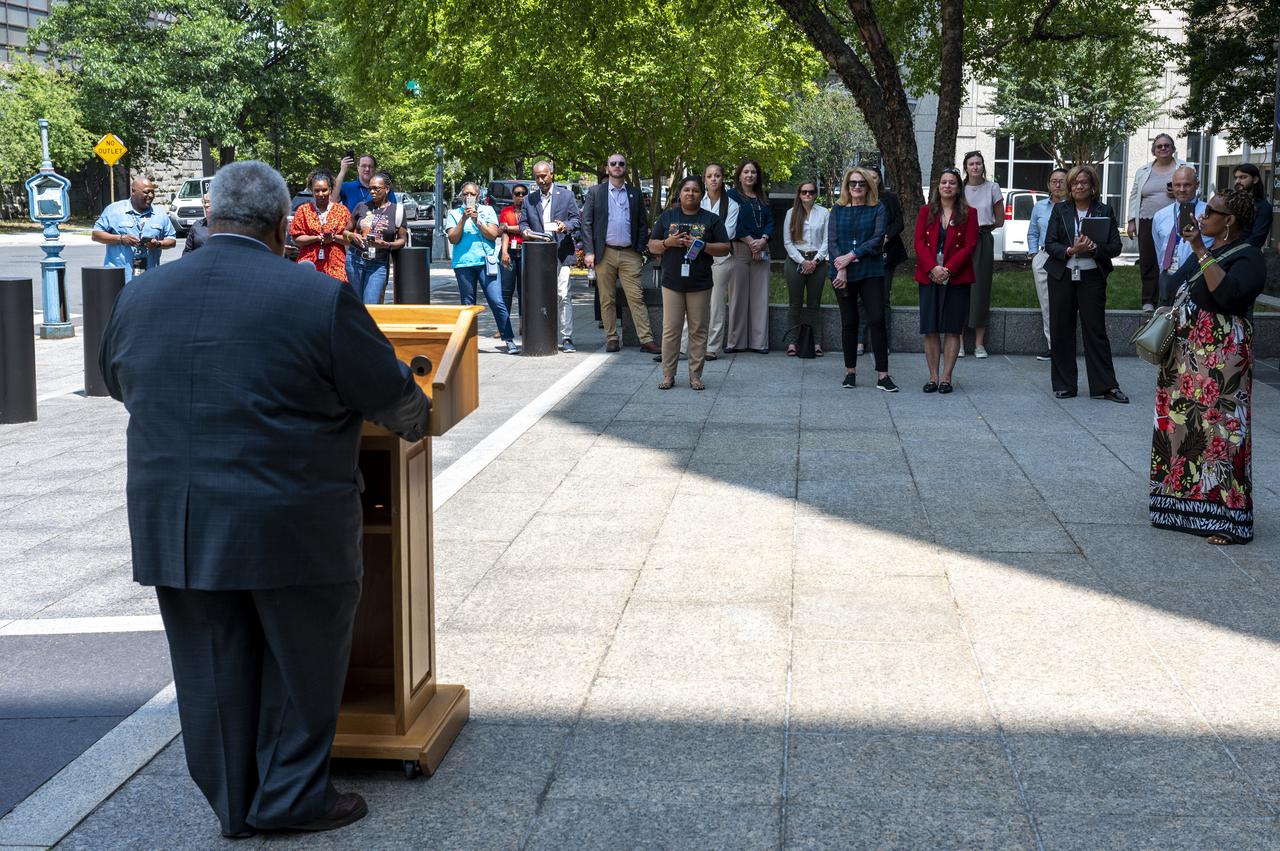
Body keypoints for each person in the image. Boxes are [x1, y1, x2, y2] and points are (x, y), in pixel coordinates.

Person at [99, 160, 432, 839]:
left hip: (180, 524)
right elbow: (393, 398)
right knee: (300, 664)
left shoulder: (141, 296)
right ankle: (289, 797)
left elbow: (116, 380)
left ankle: (233, 803)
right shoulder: (314, 297)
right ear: (284, 226)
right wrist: (417, 412)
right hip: (291, 521)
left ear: (208, 218)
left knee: (209, 667)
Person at [1150, 189, 1265, 545]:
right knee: (1180, 425)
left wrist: (1200, 249)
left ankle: (1230, 520)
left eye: (1211, 211)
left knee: (1225, 431)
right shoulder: (1212, 248)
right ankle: (1181, 505)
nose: (1202, 216)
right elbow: (1175, 282)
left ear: (1229, 220)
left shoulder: (1248, 257)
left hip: (1223, 352)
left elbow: (1228, 295)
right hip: (1188, 351)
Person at [1043, 165, 1127, 403]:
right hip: (1062, 276)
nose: (1079, 186)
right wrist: (1071, 250)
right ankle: (1064, 384)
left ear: (1093, 187)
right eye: (1075, 183)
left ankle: (1106, 386)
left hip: (1092, 277)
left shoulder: (1104, 210)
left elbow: (1115, 247)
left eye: (1084, 183)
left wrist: (1094, 248)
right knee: (1061, 329)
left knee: (1095, 330)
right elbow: (1049, 243)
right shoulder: (1060, 210)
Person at [648, 176, 731, 390]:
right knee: (671, 330)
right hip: (672, 282)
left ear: (701, 194)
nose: (690, 194)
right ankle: (668, 375)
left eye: (695, 190)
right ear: (680, 193)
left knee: (698, 330)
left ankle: (695, 375)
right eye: (686, 190)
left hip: (700, 283)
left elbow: (725, 247)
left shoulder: (711, 219)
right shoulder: (667, 217)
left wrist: (702, 246)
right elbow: (652, 246)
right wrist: (669, 242)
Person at [580, 154, 660, 355]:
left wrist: (640, 247)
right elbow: (586, 223)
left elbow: (643, 223)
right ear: (607, 167)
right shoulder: (596, 192)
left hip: (629, 253)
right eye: (613, 164)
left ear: (626, 168)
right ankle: (612, 337)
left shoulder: (634, 193)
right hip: (604, 253)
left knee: (636, 297)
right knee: (606, 298)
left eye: (621, 164)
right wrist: (589, 251)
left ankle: (646, 339)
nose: (617, 166)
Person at [829, 166, 897, 391]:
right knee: (849, 322)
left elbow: (877, 239)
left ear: (869, 186)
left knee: (877, 320)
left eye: (861, 183)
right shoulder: (837, 210)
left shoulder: (877, 208)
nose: (857, 187)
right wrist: (841, 267)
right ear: (847, 186)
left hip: (871, 271)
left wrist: (851, 257)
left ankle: (883, 376)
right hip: (842, 273)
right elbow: (832, 242)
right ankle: (850, 373)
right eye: (852, 183)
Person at [914, 167, 978, 394]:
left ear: (959, 187)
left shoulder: (969, 214)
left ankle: (946, 378)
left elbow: (970, 245)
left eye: (952, 182)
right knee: (930, 328)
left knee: (952, 328)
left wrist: (948, 270)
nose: (947, 186)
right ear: (938, 187)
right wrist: (933, 268)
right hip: (929, 275)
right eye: (944, 182)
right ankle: (932, 376)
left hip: (957, 277)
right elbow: (919, 243)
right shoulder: (925, 211)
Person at [447, 182, 517, 354]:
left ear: (478, 195)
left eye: (472, 194)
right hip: (464, 263)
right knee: (468, 304)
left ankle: (508, 338)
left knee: (496, 300)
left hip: (486, 263)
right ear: (461, 196)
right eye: (465, 194)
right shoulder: (454, 213)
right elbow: (453, 239)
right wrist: (463, 219)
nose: (468, 197)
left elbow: (493, 235)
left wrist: (477, 221)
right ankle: (468, 343)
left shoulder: (488, 211)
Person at [520, 161, 581, 352]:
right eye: (537, 177)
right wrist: (526, 231)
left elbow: (577, 220)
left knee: (563, 294)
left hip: (560, 252)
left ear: (552, 174)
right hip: (538, 255)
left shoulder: (566, 195)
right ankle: (544, 334)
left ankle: (567, 337)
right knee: (540, 296)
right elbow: (523, 223)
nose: (541, 180)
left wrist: (566, 226)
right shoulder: (529, 200)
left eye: (544, 176)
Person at [1126, 134, 1184, 311]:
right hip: (1147, 220)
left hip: (1176, 219)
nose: (1163, 148)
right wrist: (1131, 221)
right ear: (1154, 151)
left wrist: (1178, 193)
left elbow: (1194, 189)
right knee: (1148, 261)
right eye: (1159, 146)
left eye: (1167, 145)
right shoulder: (1143, 170)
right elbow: (1135, 195)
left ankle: (1173, 297)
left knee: (1173, 259)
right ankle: (1148, 301)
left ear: (1173, 149)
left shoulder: (1184, 167)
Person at [726, 159, 774, 353]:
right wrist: (750, 241)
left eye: (753, 172)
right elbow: (732, 222)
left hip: (762, 248)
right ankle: (735, 342)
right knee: (737, 296)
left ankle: (759, 342)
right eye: (746, 171)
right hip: (739, 249)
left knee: (760, 296)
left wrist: (762, 240)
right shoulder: (731, 196)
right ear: (739, 175)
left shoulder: (762, 196)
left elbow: (770, 221)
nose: (749, 175)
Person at [91, 176, 178, 282]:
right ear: (133, 192)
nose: (150, 196)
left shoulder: (160, 214)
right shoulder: (114, 210)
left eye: (152, 192)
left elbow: (172, 240)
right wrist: (121, 239)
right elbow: (96, 235)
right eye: (146, 192)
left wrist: (158, 244)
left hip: (149, 278)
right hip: (118, 278)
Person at [960, 151, 1003, 358]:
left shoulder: (992, 188)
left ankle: (979, 344)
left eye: (978, 163)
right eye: (971, 164)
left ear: (983, 165)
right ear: (965, 167)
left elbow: (1000, 219)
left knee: (981, 289)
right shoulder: (959, 188)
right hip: (958, 241)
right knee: (958, 289)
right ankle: (957, 342)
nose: (975, 167)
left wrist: (981, 230)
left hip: (982, 239)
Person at [1151, 166, 1213, 306]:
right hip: (1168, 275)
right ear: (1172, 186)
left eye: (1187, 185)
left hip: (1198, 276)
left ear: (1197, 185)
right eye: (1177, 185)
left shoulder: (1209, 213)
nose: (1182, 189)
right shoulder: (1161, 215)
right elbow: (1159, 246)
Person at [862, 168, 906, 356]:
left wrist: (886, 236)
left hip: (887, 253)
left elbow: (899, 222)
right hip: (863, 254)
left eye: (875, 177)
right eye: (867, 178)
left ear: (879, 179)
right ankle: (859, 341)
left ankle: (883, 341)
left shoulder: (889, 198)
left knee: (883, 298)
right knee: (860, 299)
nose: (871, 181)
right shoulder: (858, 197)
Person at [1025, 168, 1068, 361]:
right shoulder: (1040, 207)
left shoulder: (1074, 207)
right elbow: (1032, 232)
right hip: (1043, 257)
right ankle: (1054, 347)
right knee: (1047, 304)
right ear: (1048, 185)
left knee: (1067, 303)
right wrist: (1034, 254)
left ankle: (1068, 344)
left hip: (1068, 257)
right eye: (1053, 181)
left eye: (1062, 181)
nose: (1057, 185)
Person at [783, 180, 829, 357]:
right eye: (804, 192)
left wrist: (815, 261)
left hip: (817, 261)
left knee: (814, 304)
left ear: (816, 194)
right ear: (799, 194)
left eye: (811, 192)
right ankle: (792, 342)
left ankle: (816, 342)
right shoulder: (791, 213)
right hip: (796, 260)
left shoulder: (824, 213)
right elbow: (787, 242)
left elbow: (827, 240)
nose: (807, 195)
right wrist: (802, 261)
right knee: (794, 303)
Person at [346, 174, 407, 305]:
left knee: (371, 305)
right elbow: (345, 231)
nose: (372, 191)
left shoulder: (397, 210)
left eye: (376, 188)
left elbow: (402, 240)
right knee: (355, 305)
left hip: (378, 263)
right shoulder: (361, 206)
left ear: (387, 189)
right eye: (370, 188)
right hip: (355, 260)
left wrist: (386, 244)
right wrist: (352, 236)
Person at [701, 163, 738, 359]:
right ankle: (683, 346)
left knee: (716, 305)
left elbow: (727, 233)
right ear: (705, 179)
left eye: (717, 175)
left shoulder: (732, 205)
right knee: (693, 303)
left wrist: (702, 236)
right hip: (698, 258)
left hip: (721, 259)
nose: (713, 179)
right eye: (710, 176)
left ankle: (712, 348)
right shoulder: (698, 201)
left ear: (723, 178)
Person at [289, 169, 351, 282]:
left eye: (324, 190)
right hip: (308, 265)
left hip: (336, 265)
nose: (320, 194)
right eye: (317, 191)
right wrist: (316, 238)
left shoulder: (342, 211)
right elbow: (295, 239)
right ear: (312, 191)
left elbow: (350, 239)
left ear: (331, 189)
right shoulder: (303, 210)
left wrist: (333, 238)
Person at [498, 184, 529, 334]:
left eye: (523, 193)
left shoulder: (530, 210)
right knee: (506, 290)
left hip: (526, 251)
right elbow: (502, 232)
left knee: (524, 290)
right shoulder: (506, 211)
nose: (520, 196)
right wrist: (504, 252)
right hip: (509, 250)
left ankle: (524, 325)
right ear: (512, 196)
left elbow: (528, 230)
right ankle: (503, 326)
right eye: (517, 193)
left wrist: (509, 228)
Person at [1233, 163, 1272, 248]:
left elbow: (1256, 239)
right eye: (1236, 178)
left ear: (1255, 179)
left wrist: (1232, 252)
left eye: (1243, 177)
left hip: (1244, 256)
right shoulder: (1231, 202)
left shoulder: (1263, 207)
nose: (1237, 181)